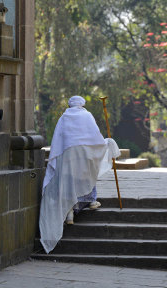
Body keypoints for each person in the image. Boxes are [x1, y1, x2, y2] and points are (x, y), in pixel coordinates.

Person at [39, 95, 120, 254]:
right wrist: (106, 143)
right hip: (85, 153)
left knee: (69, 180)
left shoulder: (65, 116)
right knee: (88, 174)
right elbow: (95, 136)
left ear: (70, 104)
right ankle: (91, 201)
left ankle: (70, 214)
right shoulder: (87, 115)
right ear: (82, 104)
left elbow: (58, 138)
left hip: (69, 154)